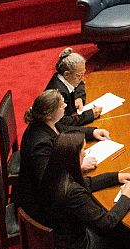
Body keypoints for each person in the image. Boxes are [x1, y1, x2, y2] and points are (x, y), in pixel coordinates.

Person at [39, 131, 130, 249]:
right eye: (83, 150)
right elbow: (107, 223)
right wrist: (125, 198)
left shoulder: (54, 174)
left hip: (60, 237)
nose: (85, 153)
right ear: (73, 156)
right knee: (125, 235)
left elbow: (87, 183)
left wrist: (116, 177)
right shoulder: (73, 192)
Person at [12, 90, 111, 226]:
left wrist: (92, 132)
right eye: (61, 105)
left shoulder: (48, 122)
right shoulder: (40, 144)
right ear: (49, 113)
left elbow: (65, 130)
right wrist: (77, 165)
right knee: (93, 210)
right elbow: (47, 183)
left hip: (48, 191)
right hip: (40, 205)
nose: (65, 105)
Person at [47, 48, 97, 128]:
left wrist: (78, 97)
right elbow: (62, 122)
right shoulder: (59, 93)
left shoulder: (63, 77)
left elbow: (80, 83)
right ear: (66, 74)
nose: (83, 78)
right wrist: (90, 115)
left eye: (83, 74)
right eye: (79, 75)